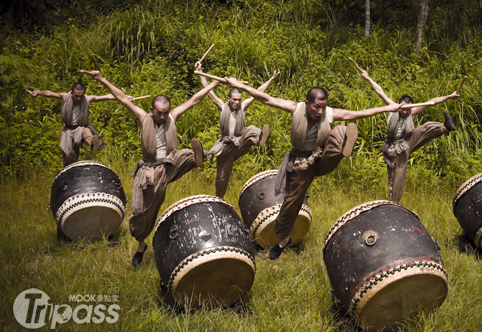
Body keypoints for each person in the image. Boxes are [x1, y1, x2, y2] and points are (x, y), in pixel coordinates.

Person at [223, 77, 405, 260]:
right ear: (307, 103)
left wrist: (389, 108)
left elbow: (358, 113)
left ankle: (343, 147)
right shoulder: (296, 109)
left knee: (340, 131)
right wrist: (238, 85)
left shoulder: (329, 114)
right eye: (316, 107)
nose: (320, 111)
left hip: (324, 157)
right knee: (291, 203)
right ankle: (282, 241)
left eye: (323, 107)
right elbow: (265, 98)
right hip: (301, 165)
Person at [82, 69, 220, 267]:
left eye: (165, 112)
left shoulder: (172, 116)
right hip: (150, 171)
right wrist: (102, 79)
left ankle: (197, 160)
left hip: (170, 165)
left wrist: (212, 85)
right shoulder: (143, 117)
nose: (163, 117)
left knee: (186, 154)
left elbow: (194, 101)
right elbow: (121, 98)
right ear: (151, 109)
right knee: (144, 211)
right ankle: (141, 246)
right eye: (159, 113)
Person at [360, 69, 459, 203]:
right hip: (392, 147)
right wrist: (368, 77)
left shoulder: (412, 113)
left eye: (408, 109)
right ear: (399, 104)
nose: (405, 112)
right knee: (395, 177)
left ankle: (444, 127)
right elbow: (379, 91)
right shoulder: (392, 107)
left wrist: (449, 96)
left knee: (425, 128)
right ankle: (393, 202)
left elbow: (432, 102)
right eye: (403, 108)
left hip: (408, 141)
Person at [197, 61, 278, 198]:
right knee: (221, 179)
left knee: (252, 130)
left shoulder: (243, 106)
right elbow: (208, 90)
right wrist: (200, 72)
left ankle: (259, 139)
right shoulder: (222, 106)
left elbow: (258, 92)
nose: (237, 102)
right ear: (228, 98)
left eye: (239, 100)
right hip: (226, 146)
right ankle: (219, 200)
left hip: (241, 141)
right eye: (234, 100)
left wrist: (271, 78)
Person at [28, 83, 130, 167]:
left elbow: (108, 96)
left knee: (87, 133)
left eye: (81, 96)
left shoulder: (87, 99)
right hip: (68, 129)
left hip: (81, 127)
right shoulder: (65, 97)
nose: (78, 98)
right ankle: (69, 168)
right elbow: (49, 93)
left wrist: (125, 98)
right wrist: (38, 92)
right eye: (76, 96)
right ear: (72, 93)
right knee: (68, 153)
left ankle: (94, 145)